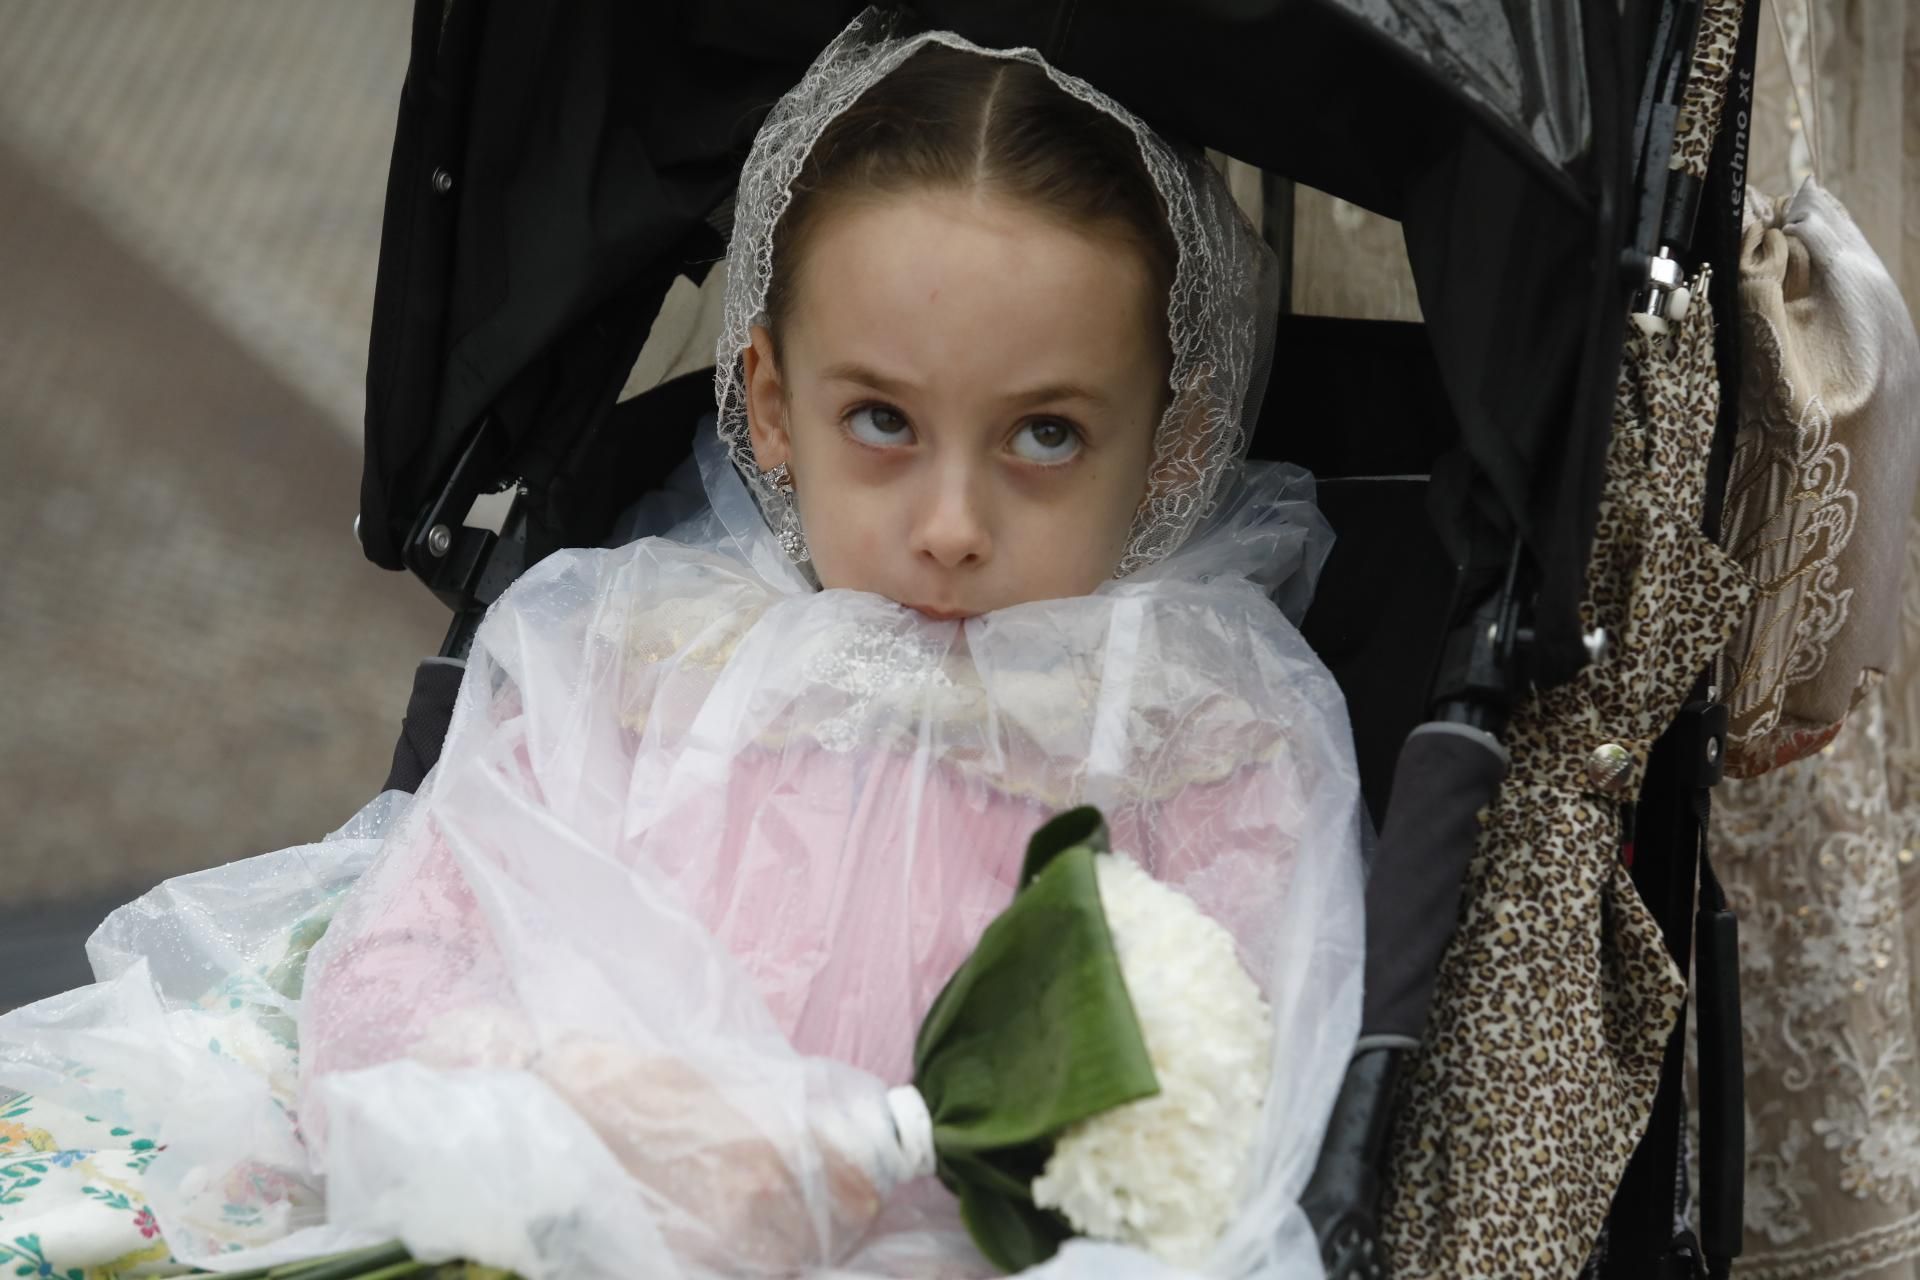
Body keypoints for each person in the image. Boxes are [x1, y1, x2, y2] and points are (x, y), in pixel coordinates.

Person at [0, 17, 1364, 1280]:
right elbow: (379, 985)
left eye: (1046, 434)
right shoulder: (650, 665)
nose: (952, 528)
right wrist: (594, 1097)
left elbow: (1225, 1133)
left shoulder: (1195, 742)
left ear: (1173, 442)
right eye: (882, 420)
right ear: (769, 406)